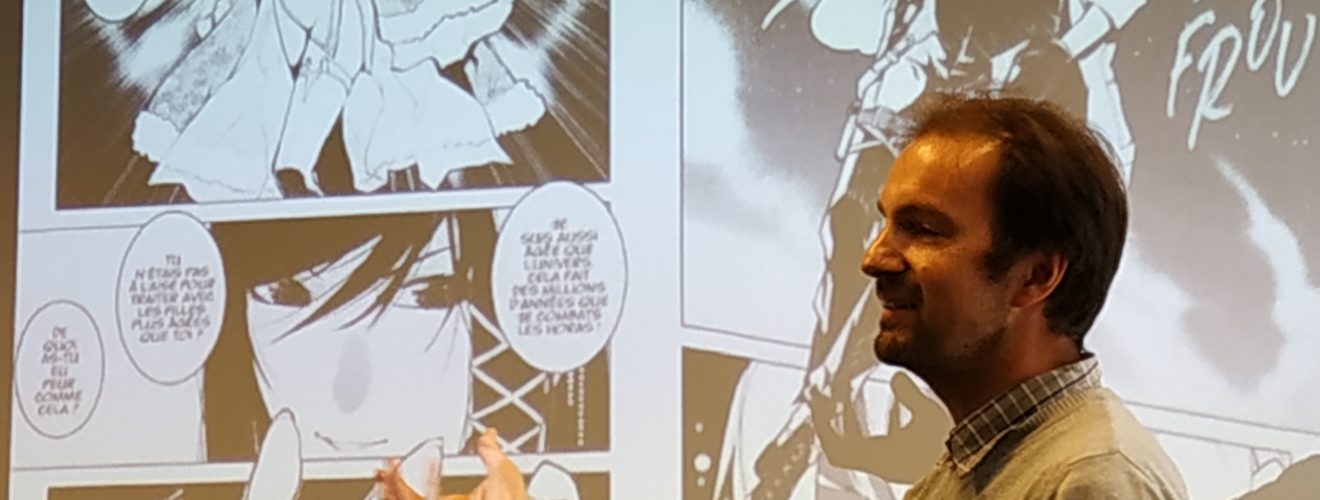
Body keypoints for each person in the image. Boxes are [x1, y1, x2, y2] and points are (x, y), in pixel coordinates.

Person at [839, 91, 1188, 498]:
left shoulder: (1092, 479)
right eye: (886, 225)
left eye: (923, 229)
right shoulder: (975, 470)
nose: (874, 258)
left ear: (1035, 277)